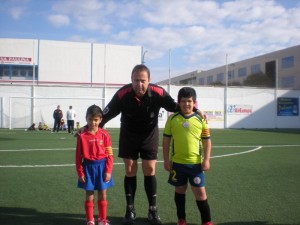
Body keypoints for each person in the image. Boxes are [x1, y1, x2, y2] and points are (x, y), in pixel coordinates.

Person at [99, 64, 206, 225]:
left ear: (149, 80)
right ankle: (130, 210)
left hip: (149, 135)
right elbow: (104, 115)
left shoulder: (158, 92)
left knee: (149, 170)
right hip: (128, 135)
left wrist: (196, 110)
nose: (139, 84)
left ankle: (153, 210)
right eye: (136, 80)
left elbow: (177, 107)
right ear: (131, 80)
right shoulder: (122, 94)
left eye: (143, 80)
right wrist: (89, 127)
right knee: (129, 170)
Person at [162, 87, 213, 225]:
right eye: (183, 101)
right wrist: (166, 160)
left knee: (200, 193)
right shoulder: (172, 119)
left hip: (195, 164)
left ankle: (207, 221)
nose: (186, 104)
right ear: (179, 102)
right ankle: (181, 219)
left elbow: (207, 141)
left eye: (189, 101)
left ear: (194, 102)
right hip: (177, 164)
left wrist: (207, 160)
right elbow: (166, 141)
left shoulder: (200, 119)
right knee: (180, 191)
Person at [76, 104, 114, 225]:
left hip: (102, 167)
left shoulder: (105, 134)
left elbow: (110, 154)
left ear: (101, 119)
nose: (93, 122)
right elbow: (78, 157)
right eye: (90, 120)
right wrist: (80, 172)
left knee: (103, 193)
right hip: (88, 167)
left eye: (96, 120)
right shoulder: (81, 136)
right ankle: (90, 220)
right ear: (86, 119)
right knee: (89, 194)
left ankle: (103, 219)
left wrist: (108, 170)